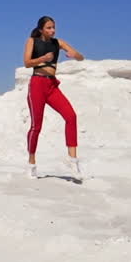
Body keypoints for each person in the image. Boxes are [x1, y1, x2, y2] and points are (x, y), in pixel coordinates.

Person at [23, 16, 85, 181]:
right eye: (49, 28)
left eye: (54, 27)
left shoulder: (58, 43)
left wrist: (75, 54)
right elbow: (27, 63)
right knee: (36, 126)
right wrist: (43, 59)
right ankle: (31, 163)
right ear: (42, 29)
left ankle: (73, 162)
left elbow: (81, 57)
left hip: (52, 86)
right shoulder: (32, 41)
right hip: (37, 85)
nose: (53, 30)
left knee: (71, 116)